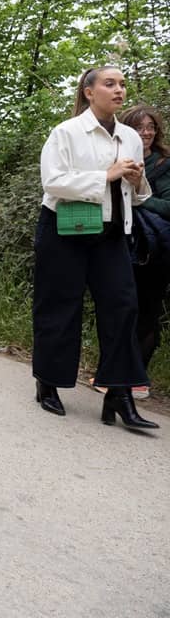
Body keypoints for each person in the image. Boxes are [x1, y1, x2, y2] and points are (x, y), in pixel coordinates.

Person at [31, 67, 158, 428]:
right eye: (110, 84)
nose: (119, 90)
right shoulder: (66, 132)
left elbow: (136, 195)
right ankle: (48, 382)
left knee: (123, 308)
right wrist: (106, 175)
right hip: (64, 230)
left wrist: (136, 179)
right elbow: (53, 181)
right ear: (89, 92)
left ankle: (119, 394)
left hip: (112, 232)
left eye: (122, 85)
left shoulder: (130, 137)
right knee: (59, 306)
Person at [123, 104, 170, 400]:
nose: (147, 132)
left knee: (147, 310)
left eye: (151, 127)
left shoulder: (163, 163)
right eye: (139, 127)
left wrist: (140, 198)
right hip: (120, 245)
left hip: (155, 250)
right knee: (120, 309)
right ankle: (116, 374)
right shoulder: (116, 158)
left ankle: (139, 379)